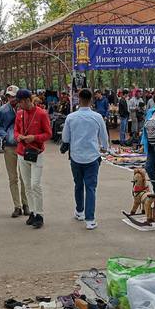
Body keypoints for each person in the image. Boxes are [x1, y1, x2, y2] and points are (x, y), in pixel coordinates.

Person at [61, 88, 109, 230]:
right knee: (91, 188)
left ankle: (79, 211)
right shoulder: (97, 117)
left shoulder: (71, 117)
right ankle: (90, 219)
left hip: (76, 157)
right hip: (92, 157)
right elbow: (104, 137)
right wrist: (104, 148)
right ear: (91, 100)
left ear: (78, 99)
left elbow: (65, 138)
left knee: (78, 184)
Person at [14, 88, 52, 229]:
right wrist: (18, 137)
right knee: (27, 185)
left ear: (27, 100)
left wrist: (34, 138)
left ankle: (40, 214)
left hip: (37, 153)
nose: (19, 105)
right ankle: (33, 211)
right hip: (22, 152)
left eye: (21, 102)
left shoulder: (41, 114)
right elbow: (16, 130)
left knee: (35, 184)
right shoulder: (19, 114)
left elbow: (48, 133)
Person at [0, 85, 29, 218]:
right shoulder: (3, 110)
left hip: (24, 146)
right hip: (9, 147)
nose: (11, 99)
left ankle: (26, 204)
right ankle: (17, 206)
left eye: (14, 96)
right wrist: (5, 136)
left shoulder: (25, 109)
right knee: (13, 177)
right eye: (9, 96)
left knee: (24, 177)